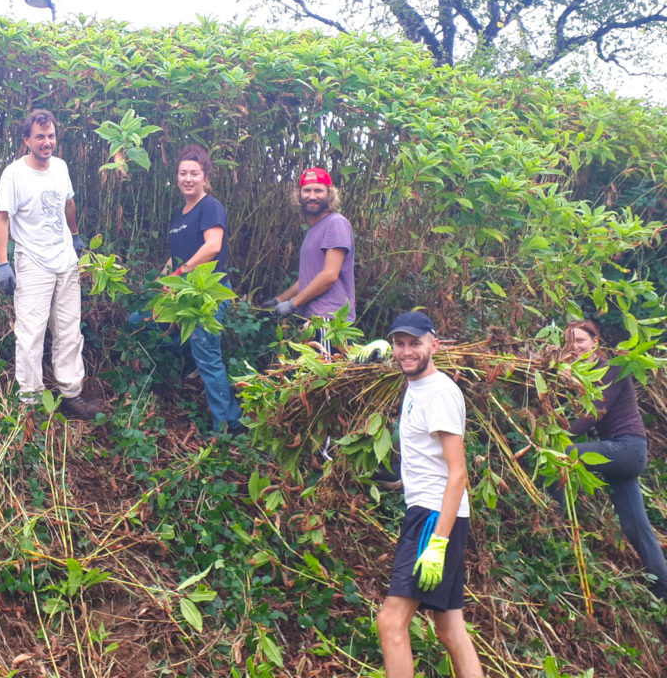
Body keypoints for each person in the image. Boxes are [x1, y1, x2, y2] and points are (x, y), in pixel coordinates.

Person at [376, 311, 483, 678]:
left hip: (434, 517)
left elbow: (458, 474)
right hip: (433, 511)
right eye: (400, 344)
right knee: (450, 627)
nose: (406, 352)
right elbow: (430, 462)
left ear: (434, 344)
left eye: (415, 343)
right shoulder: (416, 386)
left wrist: (437, 542)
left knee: (391, 622)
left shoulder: (439, 392)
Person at [127, 144, 243, 437]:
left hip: (207, 293)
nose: (188, 178)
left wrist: (180, 274)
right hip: (180, 293)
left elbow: (213, 246)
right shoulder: (181, 214)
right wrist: (162, 283)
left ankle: (226, 426)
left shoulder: (210, 206)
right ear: (176, 177)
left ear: (205, 177)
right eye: (183, 173)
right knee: (139, 323)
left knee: (208, 355)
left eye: (194, 173)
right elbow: (175, 256)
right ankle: (190, 355)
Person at [0, 109, 100, 421]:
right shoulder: (14, 174)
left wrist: (76, 235)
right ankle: (30, 403)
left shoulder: (61, 168)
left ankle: (71, 394)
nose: (46, 142)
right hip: (33, 262)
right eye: (39, 137)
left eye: (51, 136)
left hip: (65, 260)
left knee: (68, 329)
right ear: (27, 140)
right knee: (30, 333)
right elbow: (2, 218)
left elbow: (68, 202)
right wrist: (3, 263)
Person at [554, 320, 667, 601]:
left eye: (580, 340)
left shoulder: (613, 369)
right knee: (636, 527)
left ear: (595, 341)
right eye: (569, 341)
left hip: (628, 448)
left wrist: (557, 437)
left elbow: (594, 413)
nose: (575, 346)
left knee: (563, 456)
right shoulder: (581, 373)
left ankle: (554, 521)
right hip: (618, 453)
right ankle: (663, 591)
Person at [262, 167, 355, 344]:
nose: (312, 196)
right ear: (299, 194)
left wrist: (292, 304)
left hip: (330, 321)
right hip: (313, 319)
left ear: (330, 194)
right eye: (307, 190)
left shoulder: (336, 224)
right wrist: (280, 299)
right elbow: (309, 278)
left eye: (319, 190)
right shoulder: (316, 228)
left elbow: (329, 275)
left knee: (327, 371)